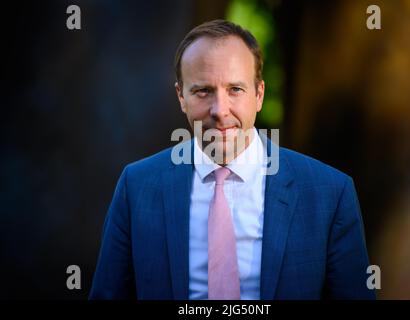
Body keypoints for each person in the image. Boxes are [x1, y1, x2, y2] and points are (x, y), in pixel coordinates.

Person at [89, 19, 375, 300]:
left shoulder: (330, 193)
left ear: (259, 94)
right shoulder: (136, 187)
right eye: (203, 91)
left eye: (235, 89)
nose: (220, 110)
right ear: (181, 97)